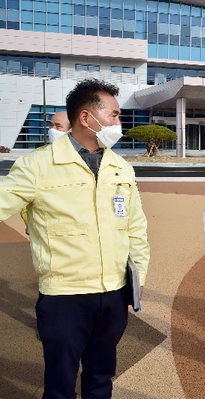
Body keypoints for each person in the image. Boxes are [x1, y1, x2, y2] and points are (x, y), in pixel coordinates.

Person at [0, 78, 150, 399]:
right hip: (64, 296)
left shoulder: (120, 167)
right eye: (114, 115)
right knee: (60, 383)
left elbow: (136, 228)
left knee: (100, 376)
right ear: (86, 118)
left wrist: (137, 281)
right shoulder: (38, 164)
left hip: (113, 294)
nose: (118, 123)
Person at [22, 111, 72, 234]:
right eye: (51, 125)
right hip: (45, 225)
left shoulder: (82, 156)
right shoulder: (36, 156)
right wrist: (29, 220)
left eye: (58, 126)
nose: (52, 129)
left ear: (71, 130)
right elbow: (25, 191)